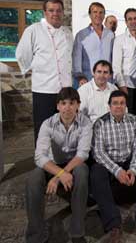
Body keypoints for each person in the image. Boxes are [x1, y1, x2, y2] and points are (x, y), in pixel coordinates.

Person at [91, 90, 136, 243]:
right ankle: (114, 226)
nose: (118, 107)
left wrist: (133, 169)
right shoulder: (100, 124)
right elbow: (98, 153)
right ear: (109, 106)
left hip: (129, 161)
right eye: (115, 103)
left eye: (122, 103)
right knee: (96, 172)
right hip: (110, 164)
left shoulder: (134, 121)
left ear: (126, 105)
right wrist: (118, 171)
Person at [26, 87, 91, 243]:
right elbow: (39, 156)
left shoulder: (85, 123)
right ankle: (36, 235)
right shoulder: (48, 124)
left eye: (72, 103)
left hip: (73, 164)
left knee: (82, 172)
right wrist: (59, 174)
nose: (67, 107)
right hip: (51, 164)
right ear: (58, 106)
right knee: (33, 179)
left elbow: (83, 154)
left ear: (78, 105)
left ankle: (77, 232)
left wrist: (61, 175)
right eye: (63, 103)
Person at [16, 0, 74, 143]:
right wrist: (34, 69)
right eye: (51, 10)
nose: (55, 13)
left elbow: (69, 57)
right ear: (44, 12)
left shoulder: (67, 33)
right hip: (44, 89)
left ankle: (62, 158)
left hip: (64, 89)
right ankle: (42, 161)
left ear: (63, 12)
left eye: (59, 10)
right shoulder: (33, 30)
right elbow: (23, 54)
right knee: (43, 128)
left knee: (65, 127)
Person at [112, 8, 136, 113]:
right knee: (128, 115)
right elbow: (116, 65)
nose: (133, 21)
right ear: (126, 22)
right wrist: (122, 85)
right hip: (127, 85)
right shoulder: (119, 39)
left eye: (135, 18)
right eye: (130, 19)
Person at [73, 2, 114, 84]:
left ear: (104, 15)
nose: (98, 15)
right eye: (95, 12)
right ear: (90, 14)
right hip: (88, 80)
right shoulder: (81, 35)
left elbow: (113, 57)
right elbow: (76, 59)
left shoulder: (110, 34)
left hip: (107, 81)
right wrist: (80, 77)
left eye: (101, 12)